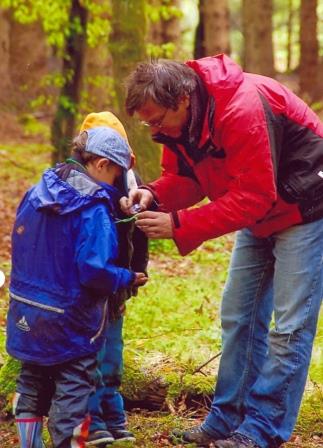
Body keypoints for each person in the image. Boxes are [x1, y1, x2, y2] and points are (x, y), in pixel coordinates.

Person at [121, 54, 323, 448]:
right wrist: (154, 193)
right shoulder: (180, 123)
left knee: (290, 327)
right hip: (260, 211)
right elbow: (185, 179)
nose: (153, 129)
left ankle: (262, 430)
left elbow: (255, 195)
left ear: (181, 98)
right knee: (238, 315)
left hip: (306, 208)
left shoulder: (240, 109)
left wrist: (180, 225)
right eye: (147, 123)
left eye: (157, 120)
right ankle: (227, 417)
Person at [6, 123, 148, 448]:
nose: (117, 183)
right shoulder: (93, 209)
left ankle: (29, 443)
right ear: (101, 164)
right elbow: (94, 271)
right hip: (72, 321)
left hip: (27, 313)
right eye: (116, 174)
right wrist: (126, 277)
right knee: (73, 388)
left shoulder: (36, 191)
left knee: (31, 379)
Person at [79, 112, 149, 447]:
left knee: (112, 353)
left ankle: (113, 413)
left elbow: (141, 232)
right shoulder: (76, 189)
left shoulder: (131, 182)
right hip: (86, 288)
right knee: (88, 352)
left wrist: (137, 272)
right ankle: (91, 419)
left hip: (117, 284)